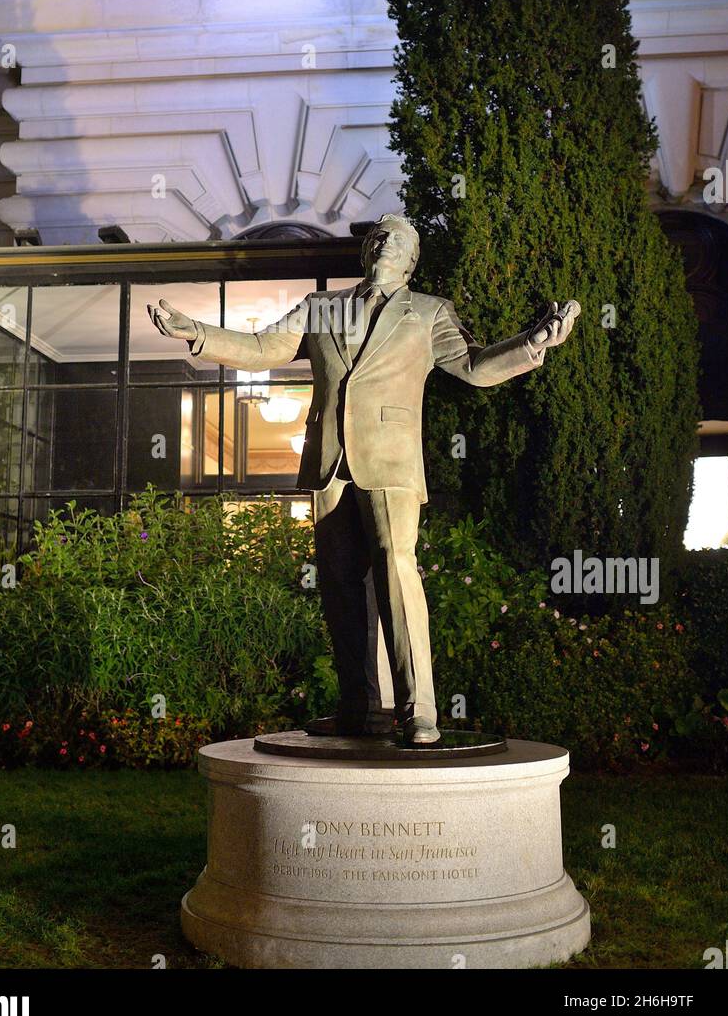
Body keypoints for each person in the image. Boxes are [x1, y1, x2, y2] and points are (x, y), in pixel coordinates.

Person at [149, 214, 579, 744]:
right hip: (330, 463)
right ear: (364, 252)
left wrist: (534, 343)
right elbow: (265, 348)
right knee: (339, 585)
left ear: (413, 259)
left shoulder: (428, 313)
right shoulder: (321, 307)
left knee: (398, 574)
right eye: (377, 236)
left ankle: (419, 711)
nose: (383, 242)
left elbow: (473, 365)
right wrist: (198, 333)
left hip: (390, 462)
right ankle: (358, 707)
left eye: (396, 238)